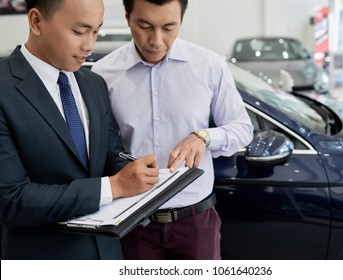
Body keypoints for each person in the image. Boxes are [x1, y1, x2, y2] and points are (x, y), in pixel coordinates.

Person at [92, 0, 253, 259]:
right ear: (127, 17)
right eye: (145, 26)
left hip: (195, 220)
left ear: (181, 20)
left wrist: (204, 136)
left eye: (169, 27)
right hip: (131, 222)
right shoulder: (103, 74)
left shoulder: (209, 66)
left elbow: (242, 128)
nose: (156, 40)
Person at [0, 0, 159, 260]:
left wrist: (139, 173)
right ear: (36, 21)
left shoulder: (93, 84)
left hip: (106, 253)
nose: (89, 45)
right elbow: (10, 199)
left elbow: (111, 154)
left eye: (96, 31)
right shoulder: (4, 88)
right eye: (78, 31)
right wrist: (113, 187)